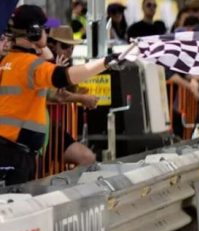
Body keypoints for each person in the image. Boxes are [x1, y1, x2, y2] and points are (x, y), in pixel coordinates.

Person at [0, 5, 123, 186]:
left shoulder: (8, 61)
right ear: (33, 32)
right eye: (43, 29)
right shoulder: (31, 65)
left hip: (9, 150)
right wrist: (104, 63)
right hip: (16, 155)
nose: (46, 34)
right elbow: (66, 75)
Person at [44, 26, 98, 169]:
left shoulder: (66, 68)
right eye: (65, 46)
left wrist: (80, 93)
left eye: (71, 47)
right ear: (52, 46)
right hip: (44, 127)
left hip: (52, 128)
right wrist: (81, 98)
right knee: (86, 158)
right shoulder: (46, 65)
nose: (69, 51)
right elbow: (53, 95)